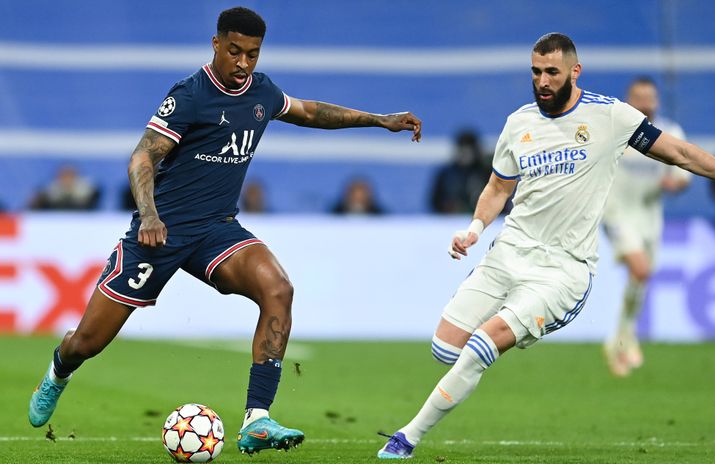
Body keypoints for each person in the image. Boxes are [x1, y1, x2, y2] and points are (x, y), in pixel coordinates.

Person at [377, 32, 715, 459]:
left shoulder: (609, 116)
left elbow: (682, 154)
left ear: (575, 71)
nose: (542, 81)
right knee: (445, 348)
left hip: (564, 268)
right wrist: (475, 226)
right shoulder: (518, 122)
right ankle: (509, 330)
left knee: (486, 342)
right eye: (536, 72)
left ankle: (406, 438)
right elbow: (498, 187)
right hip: (508, 252)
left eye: (552, 72)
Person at [26, 6, 421, 456]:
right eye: (234, 51)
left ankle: (257, 418)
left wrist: (379, 119)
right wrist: (150, 216)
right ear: (216, 45)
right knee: (88, 342)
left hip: (217, 230)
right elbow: (141, 158)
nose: (242, 63)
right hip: (160, 234)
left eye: (252, 54)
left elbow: (309, 112)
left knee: (279, 289)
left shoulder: (262, 91)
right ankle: (60, 369)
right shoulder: (190, 96)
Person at [601, 77, 691, 377]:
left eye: (650, 98)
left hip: (649, 217)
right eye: (638, 98)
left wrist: (674, 184)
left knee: (642, 276)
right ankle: (625, 336)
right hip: (616, 213)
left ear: (657, 102)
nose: (645, 104)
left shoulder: (671, 133)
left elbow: (682, 176)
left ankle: (621, 338)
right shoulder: (615, 131)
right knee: (639, 270)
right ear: (628, 101)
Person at [430, 129, 490, 214]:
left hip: (481, 220)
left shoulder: (486, 173)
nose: (464, 154)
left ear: (475, 151)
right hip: (451, 222)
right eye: (462, 149)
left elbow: (498, 199)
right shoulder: (446, 174)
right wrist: (448, 207)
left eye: (468, 150)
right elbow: (435, 202)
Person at [29, 165, 100, 210]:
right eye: (64, 176)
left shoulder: (86, 193)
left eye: (70, 176)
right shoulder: (49, 194)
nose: (67, 180)